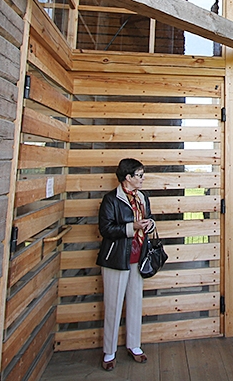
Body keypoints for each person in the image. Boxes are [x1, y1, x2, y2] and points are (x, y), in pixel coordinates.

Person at [96, 158, 156, 371]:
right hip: (116, 259)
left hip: (138, 258)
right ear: (127, 177)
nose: (142, 179)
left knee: (135, 302)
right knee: (113, 305)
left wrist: (149, 225)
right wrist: (133, 227)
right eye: (139, 175)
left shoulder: (142, 197)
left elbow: (149, 218)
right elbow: (106, 229)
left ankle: (134, 345)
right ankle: (109, 352)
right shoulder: (111, 199)